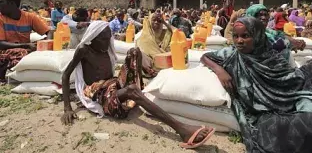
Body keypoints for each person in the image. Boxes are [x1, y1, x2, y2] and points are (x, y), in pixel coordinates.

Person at [61, 21, 214, 149]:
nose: (107, 42)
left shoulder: (106, 47)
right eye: (103, 39)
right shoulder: (84, 50)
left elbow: (116, 70)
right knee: (132, 91)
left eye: (109, 38)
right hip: (98, 92)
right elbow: (66, 74)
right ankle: (182, 130)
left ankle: (135, 90)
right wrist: (67, 108)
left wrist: (143, 68)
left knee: (135, 51)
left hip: (112, 84)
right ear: (93, 38)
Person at [201, 17, 312, 153]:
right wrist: (219, 70)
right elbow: (205, 57)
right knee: (301, 126)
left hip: (290, 99)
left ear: (257, 36)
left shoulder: (272, 56)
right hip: (263, 112)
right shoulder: (232, 54)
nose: (239, 41)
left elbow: (292, 80)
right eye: (236, 36)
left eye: (245, 36)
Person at [0, 0, 51, 82]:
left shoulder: (30, 17)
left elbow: (49, 32)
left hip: (25, 49)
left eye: (1, 2)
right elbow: (1, 44)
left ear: (12, 4)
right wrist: (26, 45)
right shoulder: (1, 19)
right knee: (22, 53)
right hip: (5, 50)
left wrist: (47, 42)